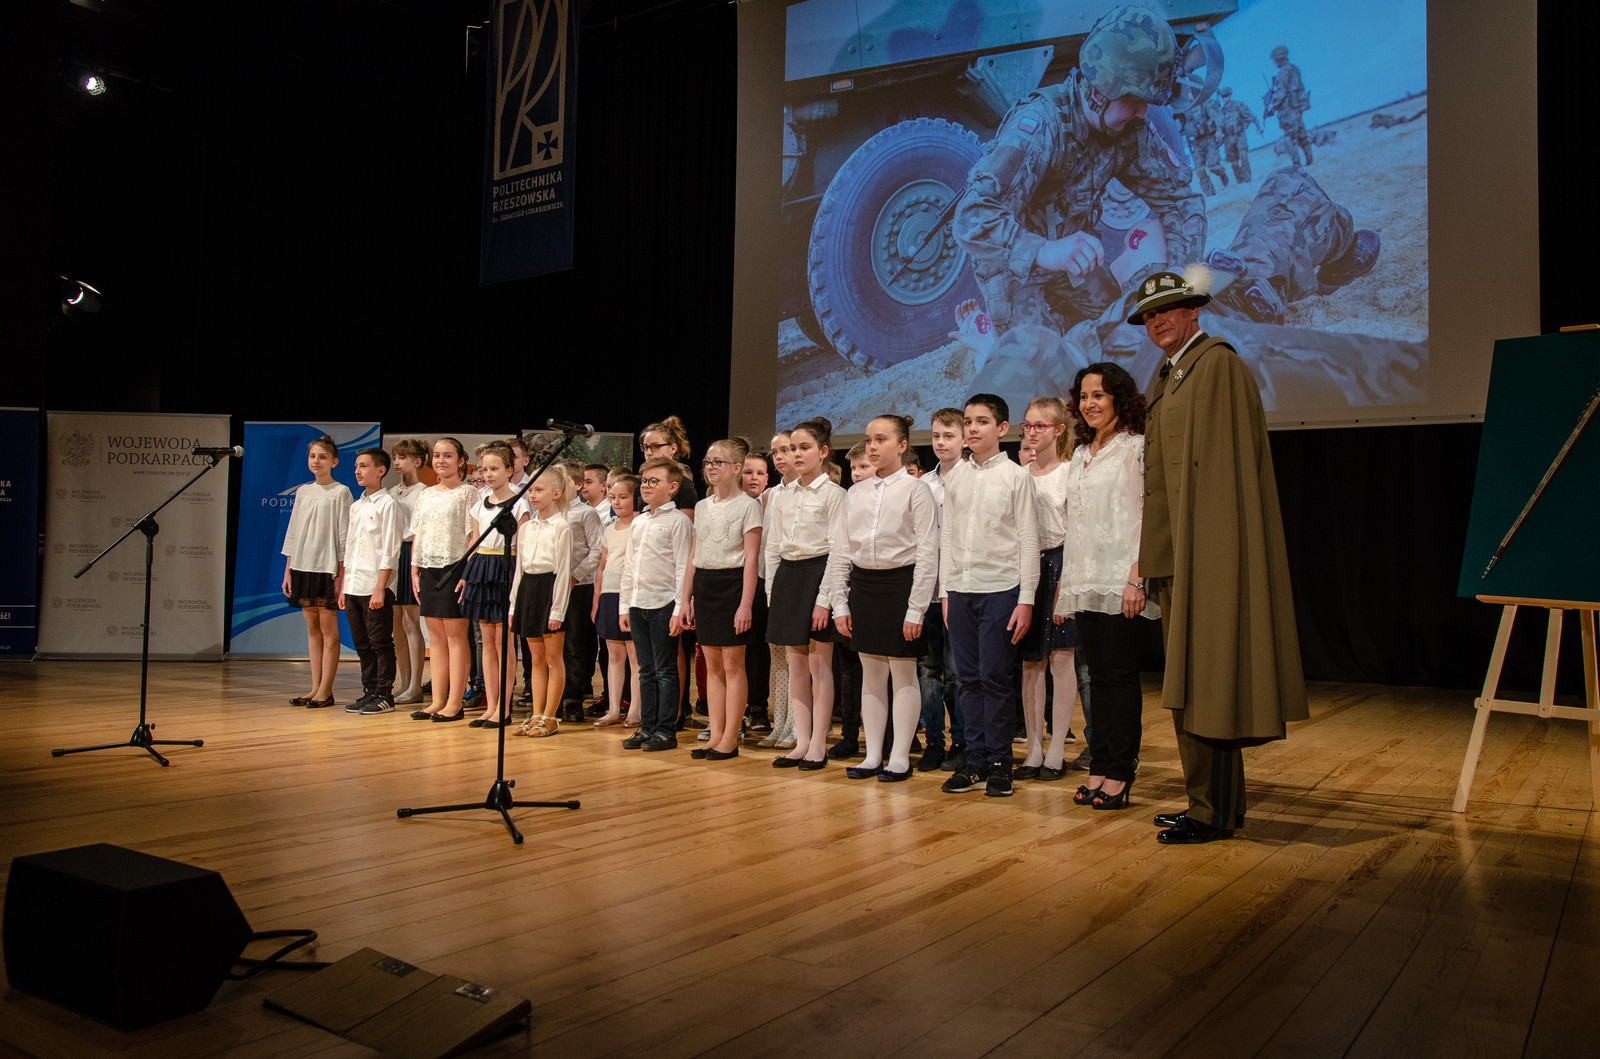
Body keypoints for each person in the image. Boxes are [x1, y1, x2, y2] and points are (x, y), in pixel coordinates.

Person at [1131, 267, 1308, 844]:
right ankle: (1208, 803)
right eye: (1150, 315)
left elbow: (1226, 468)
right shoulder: (1170, 373)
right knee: (1190, 684)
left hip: (1208, 552)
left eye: (1167, 310)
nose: (1158, 321)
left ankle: (1213, 811)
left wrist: (1213, 551)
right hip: (1176, 553)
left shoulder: (1216, 365)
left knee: (1212, 681)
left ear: (1193, 312)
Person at [951, 4, 1203, 339]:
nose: (1144, 113)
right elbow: (971, 216)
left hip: (1074, 261)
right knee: (1044, 360)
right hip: (1016, 267)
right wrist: (1044, 250)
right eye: (1135, 100)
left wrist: (1177, 276)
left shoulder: (1130, 130)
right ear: (1099, 92)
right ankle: (988, 337)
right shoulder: (1040, 126)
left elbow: (1182, 201)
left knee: (1123, 333)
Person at [1050, 365, 1158, 809]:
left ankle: (1120, 772)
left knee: (1119, 677)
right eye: (1084, 396)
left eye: (1099, 395)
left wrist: (1137, 575)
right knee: (1096, 677)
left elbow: (1148, 515)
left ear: (1119, 398)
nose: (1090, 404)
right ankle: (1099, 766)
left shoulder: (1136, 447)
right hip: (1085, 579)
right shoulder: (1080, 453)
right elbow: (1075, 525)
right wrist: (1066, 586)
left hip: (1120, 579)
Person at [825, 415, 938, 782]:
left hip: (901, 584)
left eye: (881, 439)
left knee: (903, 672)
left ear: (902, 446)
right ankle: (872, 754)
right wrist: (840, 602)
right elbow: (841, 551)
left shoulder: (916, 490)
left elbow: (928, 553)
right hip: (864, 586)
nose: (872, 446)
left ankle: (900, 756)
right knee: (871, 674)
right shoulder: (855, 493)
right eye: (869, 439)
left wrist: (917, 608)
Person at [939, 395, 1039, 798]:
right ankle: (975, 759)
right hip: (960, 590)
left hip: (1000, 588)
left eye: (982, 421)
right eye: (968, 421)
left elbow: (1028, 539)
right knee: (966, 678)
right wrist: (945, 591)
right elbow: (947, 536)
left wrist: (1026, 598)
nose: (973, 428)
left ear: (1002, 429)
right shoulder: (956, 477)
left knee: (995, 677)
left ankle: (1000, 762)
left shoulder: (1016, 477)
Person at [765, 417, 847, 771]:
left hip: (818, 575)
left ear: (823, 451)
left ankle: (818, 744)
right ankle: (801, 741)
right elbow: (772, 546)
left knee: (819, 664)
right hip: (788, 577)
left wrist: (824, 599)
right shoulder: (781, 495)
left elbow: (838, 550)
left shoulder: (834, 495)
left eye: (804, 448)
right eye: (791, 448)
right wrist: (773, 592)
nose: (796, 454)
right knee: (795, 664)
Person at [683, 437, 764, 761]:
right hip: (705, 585)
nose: (711, 467)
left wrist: (745, 604)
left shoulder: (748, 506)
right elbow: (694, 554)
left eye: (718, 462)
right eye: (708, 462)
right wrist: (686, 598)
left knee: (732, 664)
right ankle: (715, 733)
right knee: (712, 665)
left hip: (732, 585)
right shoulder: (703, 506)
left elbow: (751, 559)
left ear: (736, 468)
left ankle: (730, 736)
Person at [1016, 397, 1082, 781]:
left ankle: (1057, 746)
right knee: (1031, 662)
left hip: (1060, 564)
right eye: (1027, 425)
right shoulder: (1018, 475)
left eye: (1040, 425)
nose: (1032, 432)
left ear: (1058, 430)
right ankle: (1034, 747)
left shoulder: (1070, 472)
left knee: (1061, 659)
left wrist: (1066, 588)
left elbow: (1076, 531)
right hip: (1027, 568)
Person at [618, 457, 694, 752]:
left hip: (664, 604)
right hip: (638, 603)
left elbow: (682, 567)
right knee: (645, 669)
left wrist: (679, 607)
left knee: (665, 670)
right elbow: (629, 566)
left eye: (654, 481)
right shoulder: (639, 521)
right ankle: (647, 727)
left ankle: (665, 730)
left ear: (672, 487)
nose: (646, 486)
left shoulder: (678, 521)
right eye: (644, 481)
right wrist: (625, 605)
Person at [408, 438, 477, 722]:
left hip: (455, 568)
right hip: (428, 568)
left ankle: (455, 702)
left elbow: (474, 536)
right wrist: (414, 571)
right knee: (435, 638)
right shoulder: (425, 494)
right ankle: (437, 700)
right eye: (437, 455)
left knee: (456, 638)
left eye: (447, 456)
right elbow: (418, 533)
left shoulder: (468, 493)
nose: (440, 460)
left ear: (460, 461)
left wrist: (467, 572)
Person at [281, 434, 351, 709]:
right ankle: (314, 687)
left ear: (334, 461)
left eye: (322, 457)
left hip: (326, 567)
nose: (316, 461)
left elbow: (344, 536)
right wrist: (288, 570)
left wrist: (340, 574)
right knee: (312, 629)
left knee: (328, 629)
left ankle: (326, 690)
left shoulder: (341, 492)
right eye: (312, 456)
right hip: (302, 565)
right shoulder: (303, 491)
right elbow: (293, 532)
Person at [916, 408, 968, 773]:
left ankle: (962, 742)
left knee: (957, 673)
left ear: (964, 439)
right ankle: (933, 741)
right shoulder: (924, 484)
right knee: (927, 670)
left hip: (961, 589)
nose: (941, 442)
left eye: (948, 436)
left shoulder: (972, 478)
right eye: (936, 436)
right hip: (928, 590)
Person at [458, 442, 524, 728]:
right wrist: (466, 573)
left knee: (503, 642)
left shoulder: (520, 503)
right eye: (484, 469)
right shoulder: (479, 504)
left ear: (509, 470)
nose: (488, 475)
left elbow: (522, 544)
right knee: (486, 642)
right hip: (482, 567)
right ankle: (492, 704)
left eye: (494, 469)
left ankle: (504, 708)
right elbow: (474, 541)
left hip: (505, 567)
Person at [340, 447, 405, 715]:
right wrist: (343, 586)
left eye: (364, 466)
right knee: (362, 643)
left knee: (380, 642)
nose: (358, 471)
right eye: (356, 466)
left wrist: (380, 587)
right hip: (353, 585)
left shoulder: (388, 504)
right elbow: (350, 548)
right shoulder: (356, 506)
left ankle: (384, 694)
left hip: (375, 586)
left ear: (380, 470)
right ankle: (369, 691)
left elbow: (390, 549)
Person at [510, 465, 573, 736]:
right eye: (531, 489)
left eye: (539, 489)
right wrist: (514, 604)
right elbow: (519, 570)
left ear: (556, 493)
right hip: (529, 589)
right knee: (535, 659)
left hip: (550, 590)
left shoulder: (561, 526)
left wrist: (557, 610)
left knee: (552, 658)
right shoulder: (526, 528)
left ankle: (550, 717)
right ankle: (536, 714)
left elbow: (564, 572)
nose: (533, 495)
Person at [755, 432, 798, 750]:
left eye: (786, 450)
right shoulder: (770, 494)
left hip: (798, 579)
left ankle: (798, 724)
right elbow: (767, 543)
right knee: (777, 657)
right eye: (775, 452)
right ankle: (780, 721)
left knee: (799, 658)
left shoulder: (809, 491)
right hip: (773, 581)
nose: (780, 457)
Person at [590, 474, 641, 728]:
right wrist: (596, 599)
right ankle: (612, 708)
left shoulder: (640, 526)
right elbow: (602, 566)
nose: (617, 502)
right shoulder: (609, 530)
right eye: (612, 497)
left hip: (631, 594)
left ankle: (635, 710)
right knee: (613, 655)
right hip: (609, 595)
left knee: (635, 657)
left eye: (623, 497)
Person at [558, 459, 605, 724]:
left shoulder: (586, 513)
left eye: (563, 482)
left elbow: (596, 550)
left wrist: (575, 576)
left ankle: (573, 698)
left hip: (579, 586)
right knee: (553, 643)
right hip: (552, 586)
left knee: (575, 644)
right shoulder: (550, 513)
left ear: (577, 485)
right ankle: (554, 697)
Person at [387, 439, 429, 705]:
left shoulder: (424, 492)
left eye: (402, 457)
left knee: (410, 621)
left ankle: (415, 685)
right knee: (396, 624)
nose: (397, 462)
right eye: (395, 457)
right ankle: (404, 683)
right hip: (393, 554)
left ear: (417, 461)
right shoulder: (392, 491)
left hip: (411, 551)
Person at [740, 450, 773, 734]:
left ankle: (758, 706)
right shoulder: (730, 504)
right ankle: (733, 709)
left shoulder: (771, 502)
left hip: (762, 580)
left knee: (758, 647)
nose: (754, 478)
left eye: (760, 473)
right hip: (731, 581)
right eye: (748, 472)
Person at [1264, 45, 1313, 166]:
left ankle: (1296, 162)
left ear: (1279, 59)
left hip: (1288, 109)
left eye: (1275, 60)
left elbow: (1281, 93)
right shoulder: (1294, 68)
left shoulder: (1282, 73)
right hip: (1297, 107)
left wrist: (1273, 108)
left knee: (1290, 136)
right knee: (1301, 133)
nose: (1274, 62)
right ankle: (1309, 158)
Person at [1215, 87, 1262, 184]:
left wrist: (1258, 126)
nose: (1225, 98)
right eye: (1223, 97)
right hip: (1228, 138)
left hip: (1239, 135)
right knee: (1234, 162)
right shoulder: (1221, 111)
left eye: (1226, 96)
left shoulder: (1238, 106)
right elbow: (1219, 124)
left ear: (1230, 95)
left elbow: (1249, 116)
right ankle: (1240, 180)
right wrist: (1218, 132)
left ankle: (1248, 178)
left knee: (1243, 156)